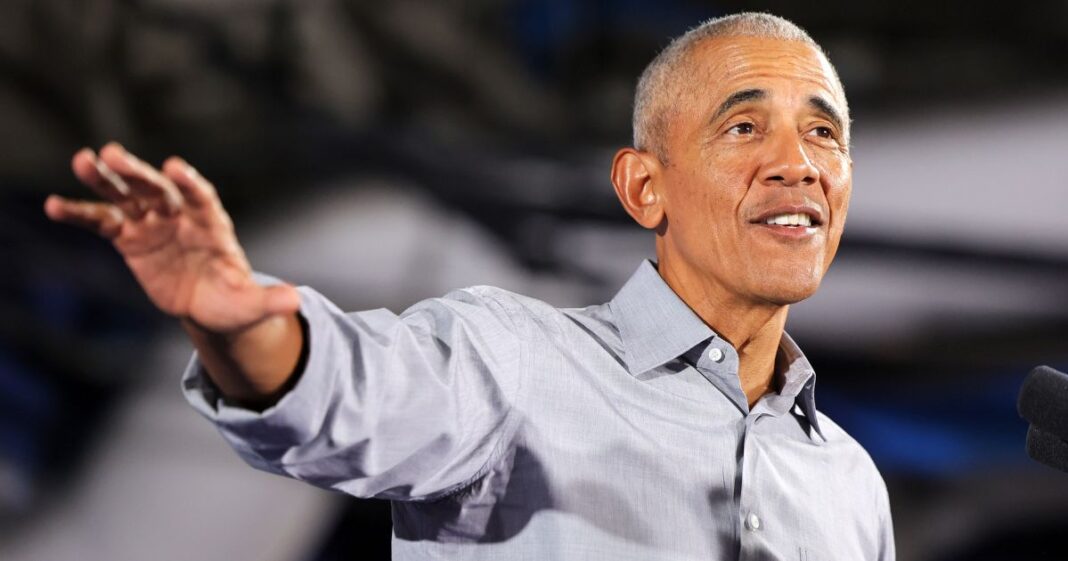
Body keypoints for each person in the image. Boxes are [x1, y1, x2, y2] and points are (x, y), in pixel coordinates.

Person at [44, 12, 894, 561]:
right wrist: (240, 328)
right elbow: (351, 397)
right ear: (644, 188)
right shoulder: (518, 361)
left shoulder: (850, 482)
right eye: (744, 126)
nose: (799, 164)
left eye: (825, 133)